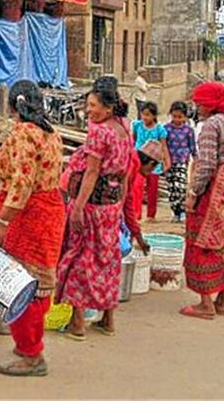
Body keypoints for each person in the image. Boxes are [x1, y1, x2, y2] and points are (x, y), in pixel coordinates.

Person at [0, 81, 65, 377]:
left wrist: (1, 221)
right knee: (37, 282)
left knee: (19, 285)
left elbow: (22, 184)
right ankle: (29, 343)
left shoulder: (23, 134)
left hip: (27, 217)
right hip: (48, 212)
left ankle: (31, 354)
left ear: (12, 106)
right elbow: (32, 171)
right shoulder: (51, 133)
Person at [55, 76, 133, 340]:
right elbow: (124, 172)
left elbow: (91, 172)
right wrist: (120, 202)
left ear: (108, 107)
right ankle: (108, 320)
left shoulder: (100, 132)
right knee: (108, 260)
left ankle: (78, 324)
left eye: (93, 106)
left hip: (93, 205)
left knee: (80, 258)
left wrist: (78, 207)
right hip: (111, 205)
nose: (88, 110)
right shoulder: (124, 127)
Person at [180, 82, 224, 320]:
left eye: (200, 102)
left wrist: (193, 193)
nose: (197, 107)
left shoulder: (211, 125)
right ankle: (221, 299)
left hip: (216, 187)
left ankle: (205, 303)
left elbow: (207, 164)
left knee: (203, 239)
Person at [132, 102, 171, 221]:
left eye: (148, 115)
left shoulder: (160, 129)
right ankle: (136, 214)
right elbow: (133, 140)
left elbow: (164, 146)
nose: (145, 117)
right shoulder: (137, 125)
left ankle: (151, 215)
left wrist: (167, 161)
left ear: (154, 116)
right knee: (137, 187)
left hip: (154, 164)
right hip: (139, 161)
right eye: (143, 114)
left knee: (152, 189)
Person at [164, 102, 196, 222]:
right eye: (175, 116)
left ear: (185, 117)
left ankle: (182, 210)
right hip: (169, 161)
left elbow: (192, 146)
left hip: (182, 161)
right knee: (172, 188)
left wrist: (195, 158)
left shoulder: (188, 130)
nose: (177, 119)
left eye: (180, 117)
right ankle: (175, 211)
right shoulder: (166, 129)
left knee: (181, 186)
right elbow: (163, 145)